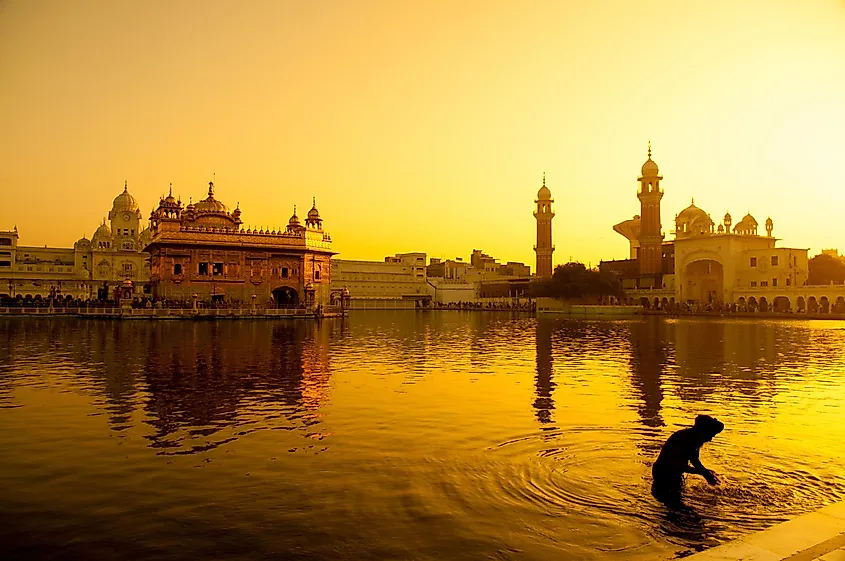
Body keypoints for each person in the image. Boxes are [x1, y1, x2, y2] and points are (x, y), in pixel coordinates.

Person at [651, 415, 724, 506]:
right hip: (663, 473)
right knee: (673, 504)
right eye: (710, 435)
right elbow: (676, 465)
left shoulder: (695, 440)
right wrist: (701, 472)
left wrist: (706, 473)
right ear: (702, 430)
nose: (710, 439)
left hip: (674, 473)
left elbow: (694, 460)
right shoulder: (683, 439)